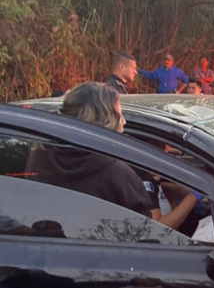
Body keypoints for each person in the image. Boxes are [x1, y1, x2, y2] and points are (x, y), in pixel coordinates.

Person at [26, 82, 200, 228]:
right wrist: (194, 197)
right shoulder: (117, 173)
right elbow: (150, 233)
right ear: (106, 120)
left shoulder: (39, 156)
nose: (123, 122)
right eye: (120, 115)